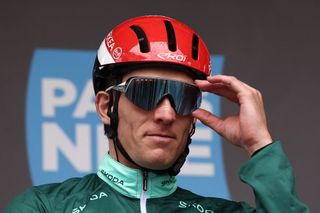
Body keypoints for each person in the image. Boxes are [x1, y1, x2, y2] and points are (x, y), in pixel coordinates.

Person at [5, 15, 309, 213]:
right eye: (145, 92)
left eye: (183, 97)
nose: (166, 113)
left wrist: (259, 145)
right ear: (105, 107)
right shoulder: (44, 206)